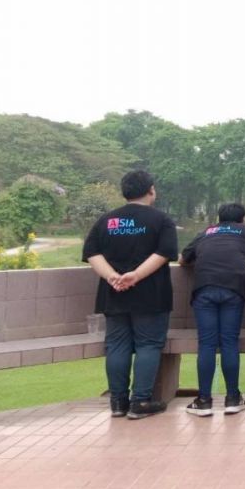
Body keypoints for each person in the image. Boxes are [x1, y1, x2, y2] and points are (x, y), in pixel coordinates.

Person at [81, 170, 178, 420]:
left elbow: (92, 253)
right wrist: (135, 276)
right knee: (148, 344)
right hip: (151, 294)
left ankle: (117, 402)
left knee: (116, 345)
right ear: (151, 190)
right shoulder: (161, 220)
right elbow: (164, 252)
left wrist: (112, 276)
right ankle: (140, 401)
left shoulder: (106, 220)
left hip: (114, 294)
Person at [179, 203, 245, 417]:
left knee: (207, 344)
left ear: (219, 219)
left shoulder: (206, 232)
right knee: (229, 342)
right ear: (242, 219)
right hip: (233, 289)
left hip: (204, 289)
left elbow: (183, 259)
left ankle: (204, 401)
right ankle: (233, 399)